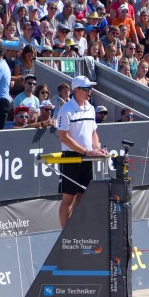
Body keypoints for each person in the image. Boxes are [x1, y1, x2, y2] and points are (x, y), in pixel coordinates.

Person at [55, 76, 109, 227]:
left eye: (90, 88)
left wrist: (96, 148)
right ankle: (66, 235)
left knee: (82, 196)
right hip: (71, 158)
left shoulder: (91, 108)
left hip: (87, 158)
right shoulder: (66, 110)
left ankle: (77, 229)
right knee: (68, 198)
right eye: (86, 88)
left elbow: (93, 132)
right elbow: (63, 137)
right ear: (76, 90)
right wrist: (86, 151)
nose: (89, 91)